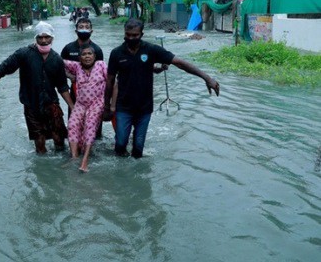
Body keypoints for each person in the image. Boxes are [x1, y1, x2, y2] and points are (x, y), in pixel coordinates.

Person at [103, 19, 220, 158]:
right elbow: (110, 80)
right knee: (120, 145)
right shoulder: (116, 53)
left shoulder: (151, 50)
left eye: (135, 35)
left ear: (141, 34)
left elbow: (180, 63)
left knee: (138, 150)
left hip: (144, 108)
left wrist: (207, 78)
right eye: (128, 35)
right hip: (123, 107)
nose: (131, 38)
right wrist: (107, 106)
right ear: (124, 33)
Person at [0, 21, 74, 154]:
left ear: (52, 38)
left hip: (51, 104)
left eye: (46, 37)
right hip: (31, 105)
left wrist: (72, 107)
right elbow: (2, 69)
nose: (43, 40)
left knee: (59, 139)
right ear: (35, 38)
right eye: (40, 37)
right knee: (40, 142)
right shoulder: (24, 54)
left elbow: (62, 86)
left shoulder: (57, 60)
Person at [64, 45, 107, 172]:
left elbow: (111, 81)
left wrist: (110, 104)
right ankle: (74, 157)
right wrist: (70, 76)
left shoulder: (101, 65)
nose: (87, 56)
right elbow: (58, 61)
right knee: (72, 124)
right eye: (84, 54)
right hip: (81, 103)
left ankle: (85, 160)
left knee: (90, 125)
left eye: (89, 54)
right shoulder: (76, 66)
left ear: (94, 56)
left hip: (97, 102)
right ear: (80, 58)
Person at [61, 18, 104, 137]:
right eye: (81, 26)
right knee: (74, 126)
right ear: (76, 30)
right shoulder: (68, 49)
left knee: (95, 131)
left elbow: (101, 72)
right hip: (75, 93)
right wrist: (70, 76)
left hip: (95, 95)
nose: (84, 29)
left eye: (87, 27)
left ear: (91, 31)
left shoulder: (97, 50)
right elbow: (60, 66)